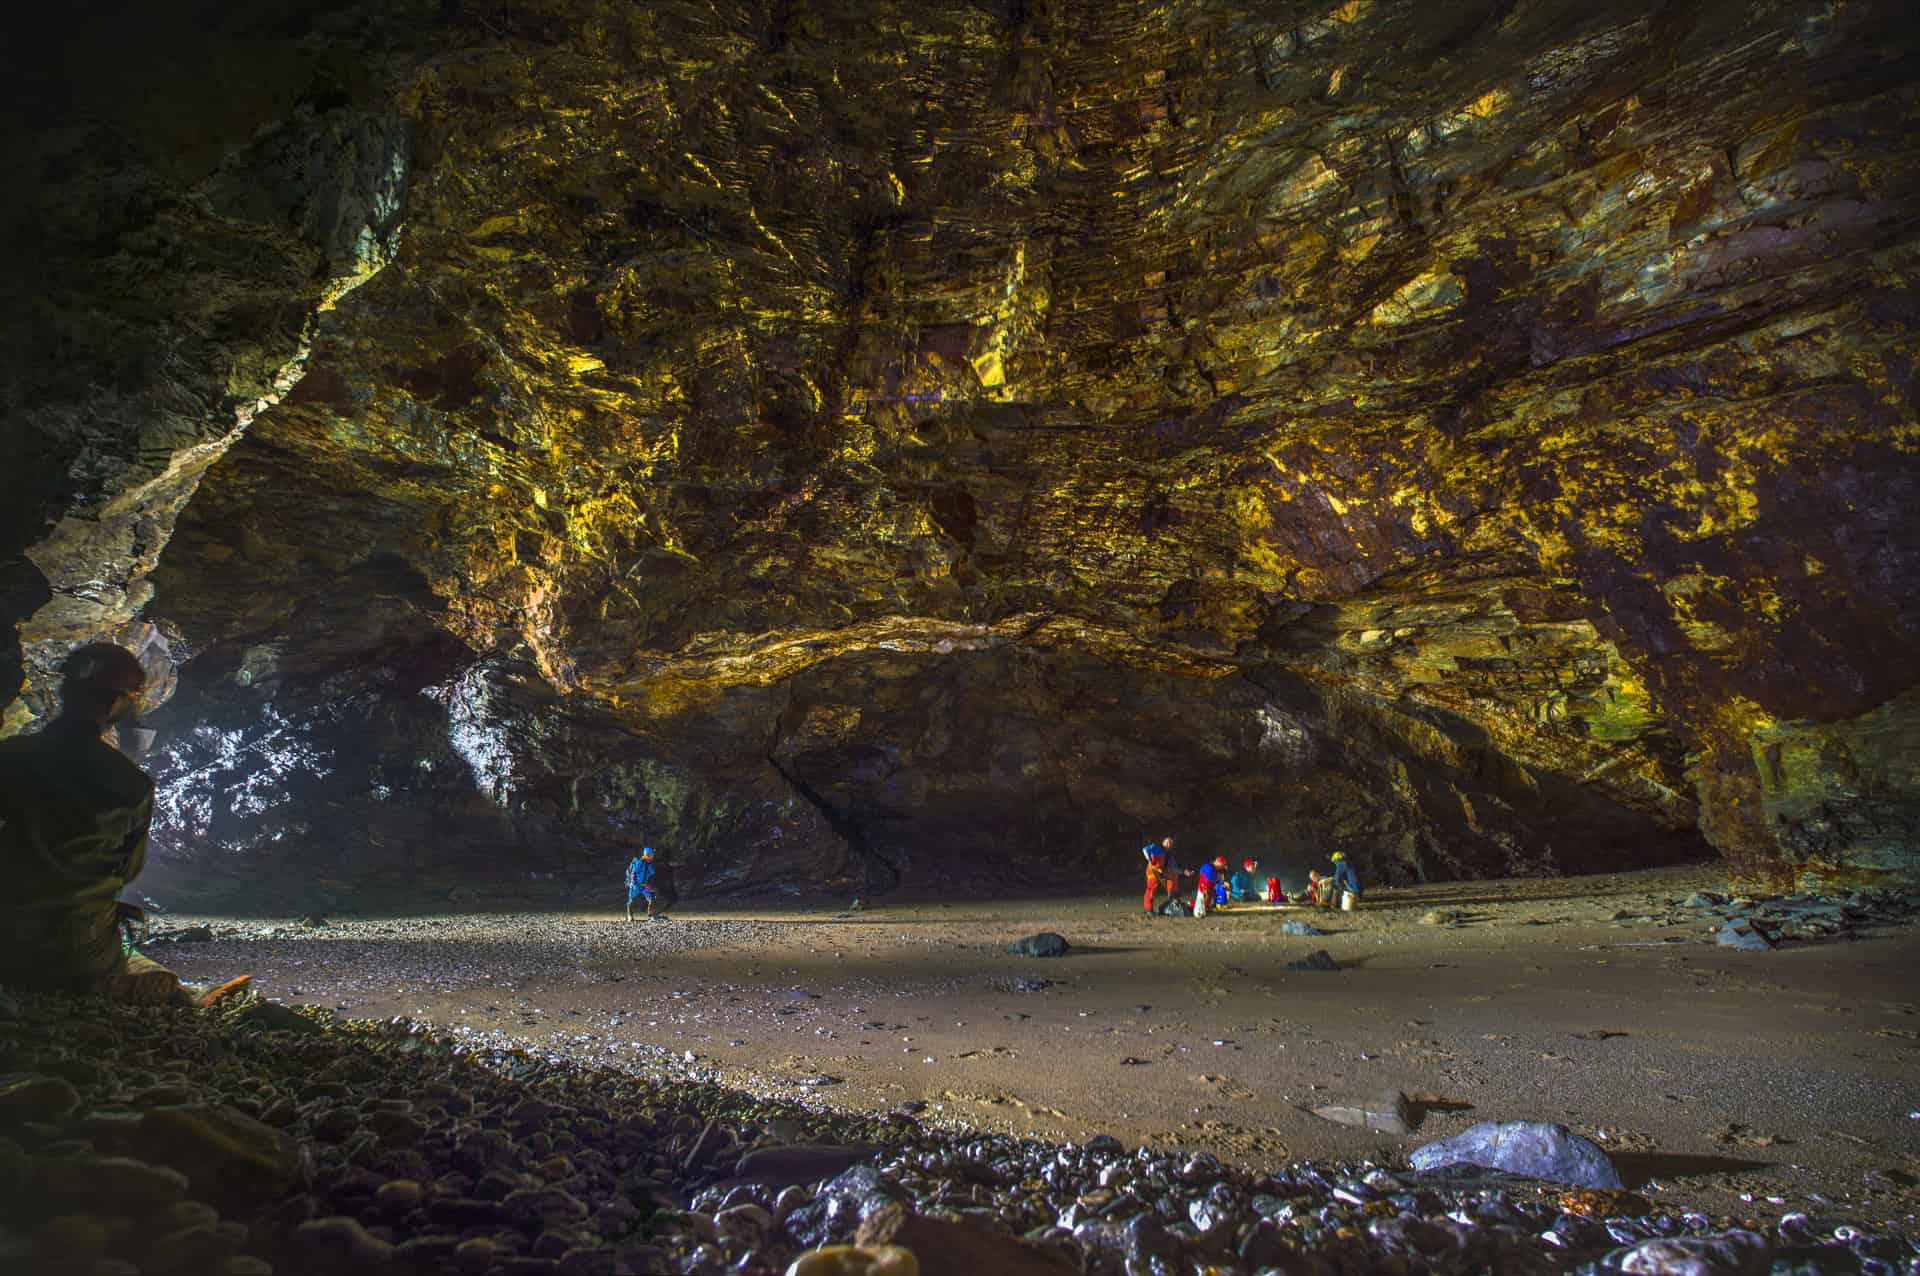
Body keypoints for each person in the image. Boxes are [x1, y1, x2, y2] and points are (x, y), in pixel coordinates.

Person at [0, 643, 248, 1008]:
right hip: (72, 950)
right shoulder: (132, 785)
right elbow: (127, 871)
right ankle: (173, 992)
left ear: (64, 690)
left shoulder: (11, 758)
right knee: (114, 939)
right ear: (120, 705)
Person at [625, 846, 658, 920]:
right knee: (632, 900)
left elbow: (652, 875)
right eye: (652, 854)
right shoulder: (639, 862)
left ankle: (650, 915)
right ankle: (629, 915)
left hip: (644, 886)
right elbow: (633, 873)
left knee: (651, 899)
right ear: (647, 855)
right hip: (636, 885)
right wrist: (633, 883)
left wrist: (651, 886)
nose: (653, 856)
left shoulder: (650, 864)